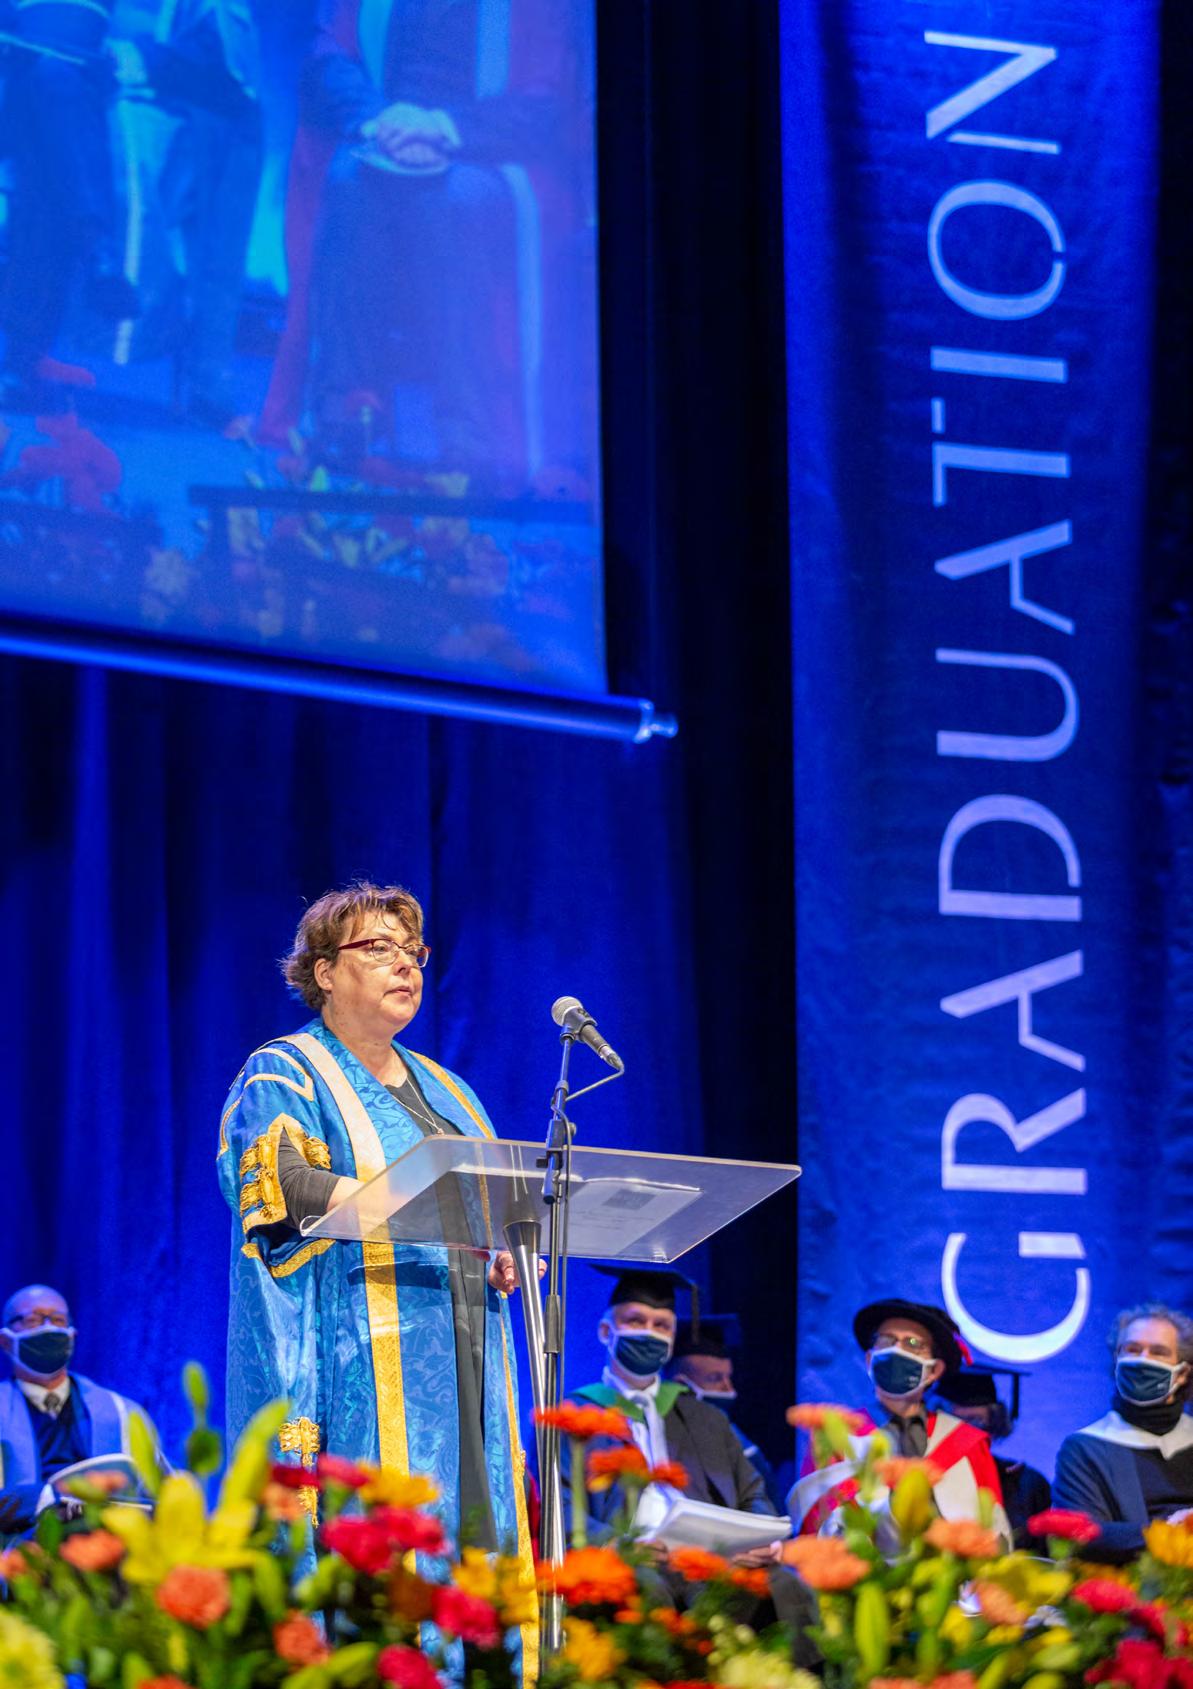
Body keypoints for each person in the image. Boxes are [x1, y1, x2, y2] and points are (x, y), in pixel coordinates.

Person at [217, 881, 536, 1657]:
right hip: (355, 1353)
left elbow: (489, 1208)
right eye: (378, 948)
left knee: (468, 1539)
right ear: (325, 971)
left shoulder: (451, 1091)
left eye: (412, 952)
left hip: (463, 1351)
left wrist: (498, 1251)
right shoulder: (286, 1070)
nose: (405, 965)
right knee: (381, 1546)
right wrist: (415, 1212)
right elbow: (280, 1183)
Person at [568, 1268, 817, 1660]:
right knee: (647, 1587)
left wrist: (758, 1541)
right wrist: (616, 1544)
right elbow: (561, 1507)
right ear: (605, 1331)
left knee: (787, 1586)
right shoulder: (575, 1416)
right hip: (636, 1559)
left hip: (712, 1558)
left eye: (662, 1325)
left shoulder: (706, 1419)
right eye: (635, 1321)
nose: (649, 1333)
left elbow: (752, 1493)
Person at [790, 1298, 1010, 1544]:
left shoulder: (968, 1443)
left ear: (934, 1370)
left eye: (913, 1344)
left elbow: (994, 1532)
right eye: (886, 1340)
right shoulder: (837, 1438)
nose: (897, 1351)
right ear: (870, 1360)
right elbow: (814, 1528)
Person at [0, 1283, 149, 1537]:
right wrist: (45, 1498)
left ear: (72, 1337)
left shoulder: (124, 1414)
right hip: (18, 1552)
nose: (48, 1328)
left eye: (58, 1320)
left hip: (106, 1550)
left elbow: (160, 1489)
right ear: (5, 1341)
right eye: (33, 1320)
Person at [1053, 1302, 1193, 1562]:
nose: (1142, 1361)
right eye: (1132, 1350)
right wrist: (1169, 1533)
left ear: (1183, 1373)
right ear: (1116, 1360)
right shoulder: (1085, 1448)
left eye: (1158, 1352)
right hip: (1129, 1581)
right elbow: (1083, 1534)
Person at [668, 1317, 785, 1512]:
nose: (728, 1389)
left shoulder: (736, 1439)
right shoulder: (663, 1438)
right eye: (715, 1379)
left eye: (728, 1377)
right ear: (681, 1385)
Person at [932, 1367, 1050, 1548]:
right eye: (952, 1422)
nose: (964, 1433)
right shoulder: (923, 1478)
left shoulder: (1026, 1484)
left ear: (995, 1424)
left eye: (975, 1421)